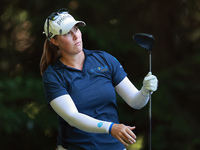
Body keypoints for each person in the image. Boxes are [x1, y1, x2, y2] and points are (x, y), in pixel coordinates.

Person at [40, 8, 158, 150]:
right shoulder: (53, 75)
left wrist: (145, 91)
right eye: (67, 33)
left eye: (76, 29)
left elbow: (135, 101)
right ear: (54, 40)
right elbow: (73, 117)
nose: (75, 36)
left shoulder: (104, 59)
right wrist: (110, 127)